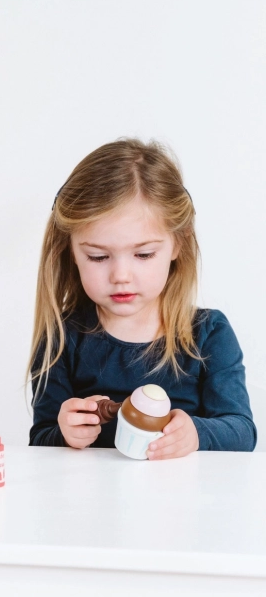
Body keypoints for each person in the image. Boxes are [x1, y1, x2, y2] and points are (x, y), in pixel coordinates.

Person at [28, 138, 256, 457]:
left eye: (144, 254)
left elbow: (242, 432)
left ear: (177, 244)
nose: (121, 275)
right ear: (72, 253)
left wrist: (196, 434)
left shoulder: (209, 333)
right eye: (98, 256)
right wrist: (65, 434)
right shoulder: (62, 337)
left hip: (184, 488)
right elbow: (40, 440)